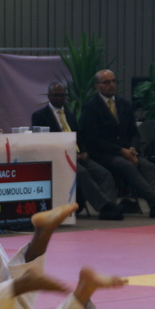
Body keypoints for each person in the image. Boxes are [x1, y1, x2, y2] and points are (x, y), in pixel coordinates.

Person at [79, 69, 155, 219]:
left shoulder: (124, 104)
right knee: (127, 165)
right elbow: (92, 139)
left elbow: (134, 133)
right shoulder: (90, 107)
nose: (111, 85)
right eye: (106, 82)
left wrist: (133, 147)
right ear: (97, 86)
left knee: (149, 166)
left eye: (113, 81)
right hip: (103, 154)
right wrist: (120, 150)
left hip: (127, 151)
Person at [31, 82, 122, 220]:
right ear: (49, 96)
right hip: (60, 158)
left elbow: (80, 138)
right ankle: (105, 206)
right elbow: (44, 143)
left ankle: (110, 209)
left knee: (104, 173)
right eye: (56, 95)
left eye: (62, 95)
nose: (59, 98)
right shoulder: (40, 116)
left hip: (79, 155)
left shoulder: (70, 115)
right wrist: (71, 155)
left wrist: (84, 152)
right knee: (81, 173)